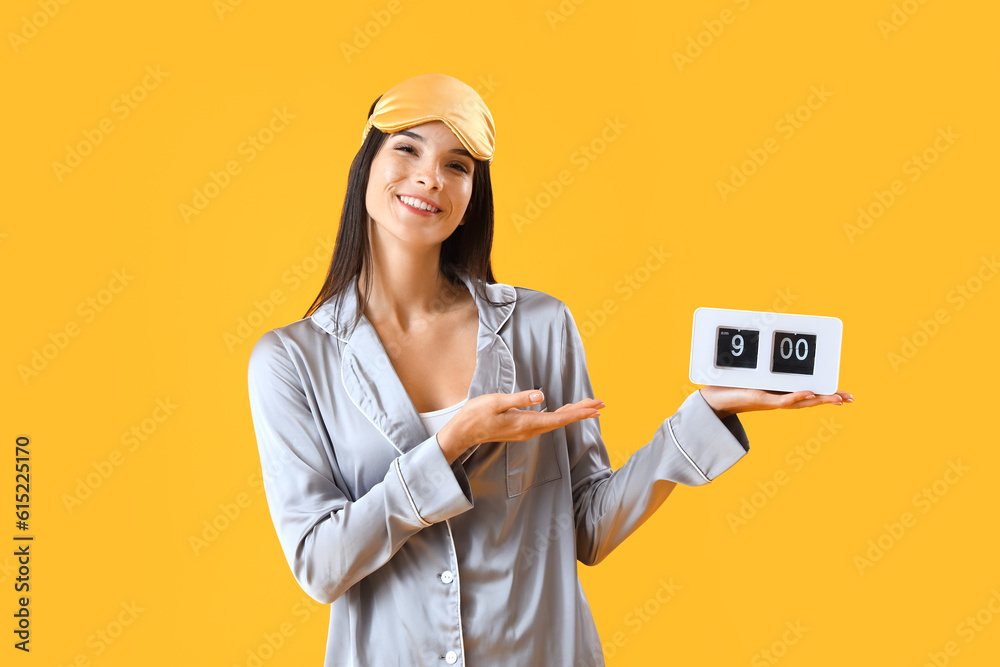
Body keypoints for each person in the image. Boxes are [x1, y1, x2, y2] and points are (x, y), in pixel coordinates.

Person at [246, 72, 853, 667]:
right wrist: (453, 443)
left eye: (458, 165)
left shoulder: (540, 327)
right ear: (367, 166)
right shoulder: (292, 363)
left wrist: (709, 412)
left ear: (471, 196)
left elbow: (588, 526)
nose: (431, 176)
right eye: (408, 148)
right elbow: (321, 566)